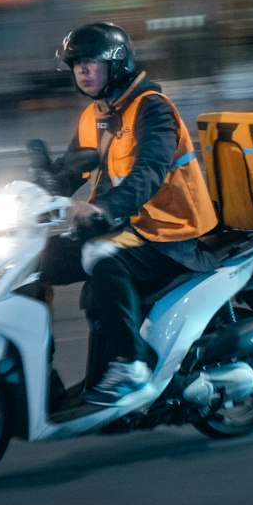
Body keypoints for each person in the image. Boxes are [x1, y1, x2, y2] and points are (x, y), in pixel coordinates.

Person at [39, 22, 219, 406]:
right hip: (124, 225)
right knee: (33, 264)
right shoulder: (95, 114)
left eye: (92, 63)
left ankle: (130, 366)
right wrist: (36, 189)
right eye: (77, 65)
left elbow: (148, 173)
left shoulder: (152, 109)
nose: (83, 71)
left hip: (168, 231)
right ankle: (39, 371)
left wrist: (103, 209)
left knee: (99, 254)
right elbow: (74, 168)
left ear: (117, 64)